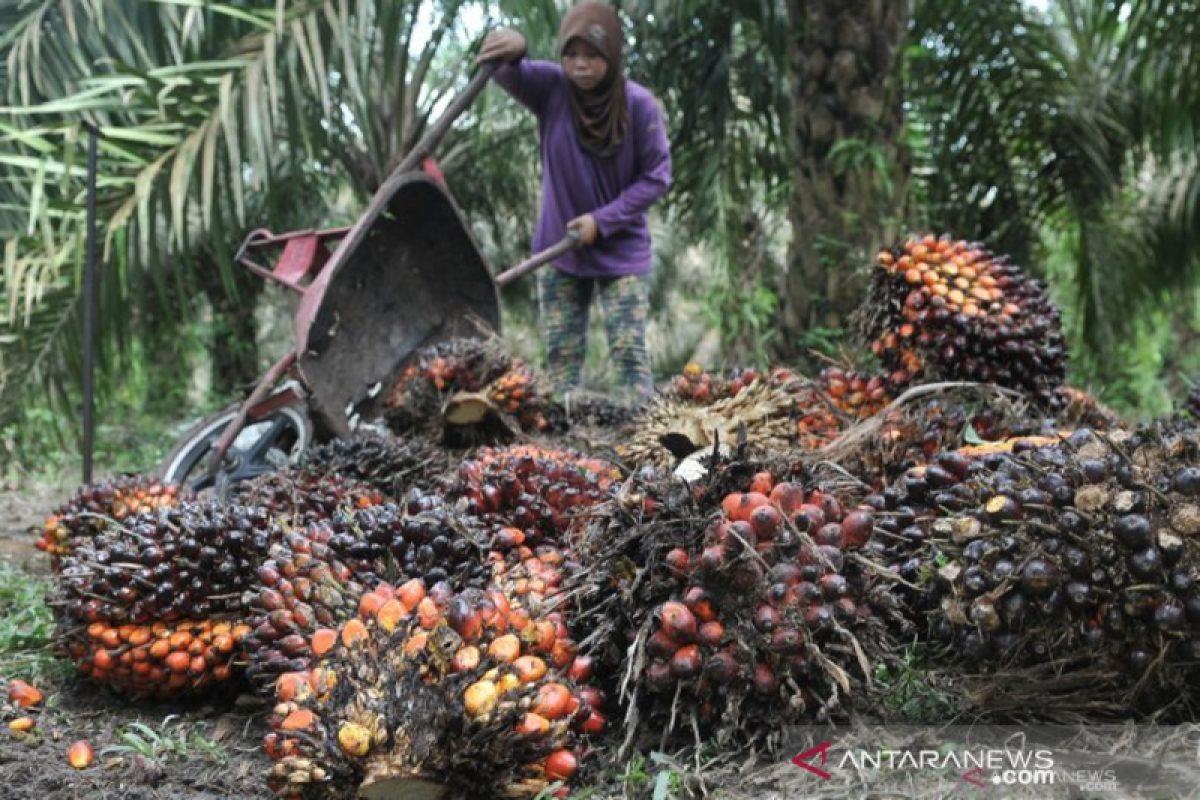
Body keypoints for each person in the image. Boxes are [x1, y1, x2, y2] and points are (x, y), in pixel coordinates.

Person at [477, 2, 672, 403]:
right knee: (561, 363)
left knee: (629, 355)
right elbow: (501, 70)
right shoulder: (552, 90)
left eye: (592, 55)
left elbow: (656, 177)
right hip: (559, 251)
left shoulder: (639, 106)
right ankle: (562, 454)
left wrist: (602, 221)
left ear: (613, 55)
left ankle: (643, 443)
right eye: (572, 54)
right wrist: (515, 46)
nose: (580, 65)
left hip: (622, 253)